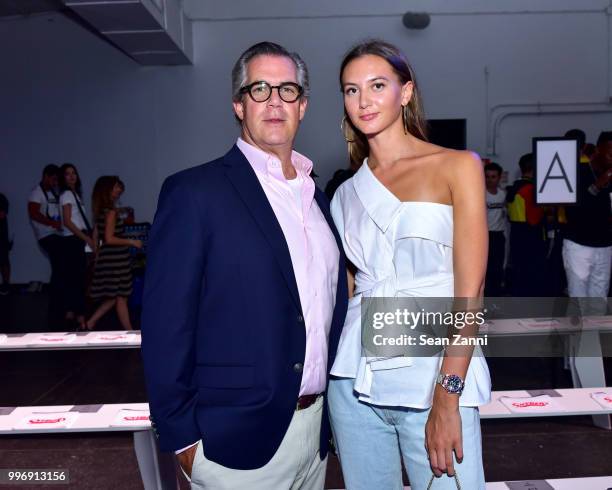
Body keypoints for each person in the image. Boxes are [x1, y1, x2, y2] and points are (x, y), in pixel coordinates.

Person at [141, 42, 348, 490]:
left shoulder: (318, 200)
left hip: (315, 436)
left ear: (304, 105)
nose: (275, 100)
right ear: (238, 104)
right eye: (259, 89)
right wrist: (182, 438)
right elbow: (165, 325)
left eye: (287, 90)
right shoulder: (195, 193)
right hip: (231, 446)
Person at [327, 40, 491, 490]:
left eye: (378, 85)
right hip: (353, 381)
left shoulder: (457, 166)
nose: (364, 100)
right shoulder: (344, 195)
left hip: (432, 378)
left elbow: (471, 292)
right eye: (351, 90)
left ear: (405, 92)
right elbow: (349, 293)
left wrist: (447, 395)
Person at [86, 176, 141, 330]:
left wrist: (97, 254)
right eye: (116, 187)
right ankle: (129, 331)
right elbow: (109, 238)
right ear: (107, 190)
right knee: (120, 296)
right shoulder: (110, 212)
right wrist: (132, 242)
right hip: (116, 260)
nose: (119, 191)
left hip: (111, 259)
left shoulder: (101, 212)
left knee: (116, 297)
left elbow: (96, 235)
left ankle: (91, 323)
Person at [563, 131, 612, 298]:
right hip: (579, 243)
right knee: (578, 297)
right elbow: (573, 207)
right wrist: (598, 185)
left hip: (605, 244)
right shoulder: (578, 171)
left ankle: (596, 326)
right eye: (610, 153)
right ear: (598, 150)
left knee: (600, 296)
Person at [59, 163, 95, 329]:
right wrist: (85, 238)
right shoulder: (67, 195)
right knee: (78, 279)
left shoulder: (74, 195)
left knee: (75, 278)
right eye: (67, 174)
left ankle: (71, 313)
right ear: (63, 177)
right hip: (73, 240)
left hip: (76, 239)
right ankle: (79, 316)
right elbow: (67, 221)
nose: (72, 176)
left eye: (74, 173)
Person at [505, 153, 546, 296]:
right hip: (530, 235)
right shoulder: (530, 189)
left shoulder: (513, 187)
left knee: (518, 272)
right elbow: (534, 219)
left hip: (516, 233)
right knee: (530, 275)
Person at [28, 164, 63, 324]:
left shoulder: (51, 192)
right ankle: (54, 306)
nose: (56, 182)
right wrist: (52, 223)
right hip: (47, 235)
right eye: (54, 179)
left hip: (55, 234)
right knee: (58, 268)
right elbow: (33, 213)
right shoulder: (36, 193)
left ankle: (58, 304)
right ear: (46, 176)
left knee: (60, 268)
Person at [484, 162, 506, 296]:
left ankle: (496, 297)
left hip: (499, 235)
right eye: (487, 176)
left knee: (498, 268)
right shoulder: (481, 194)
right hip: (485, 236)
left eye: (493, 177)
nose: (490, 180)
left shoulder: (503, 194)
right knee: (485, 269)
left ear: (499, 177)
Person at [0, 192, 11, 295]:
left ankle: (6, 285)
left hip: (1, 236)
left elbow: (2, 214)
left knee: (3, 260)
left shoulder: (1, 198)